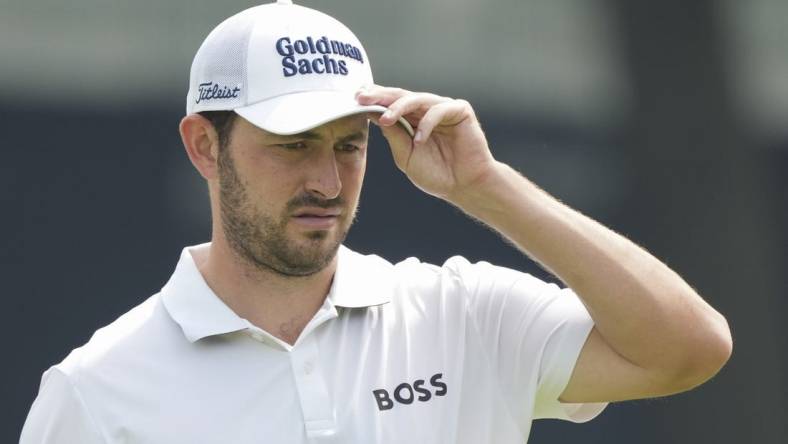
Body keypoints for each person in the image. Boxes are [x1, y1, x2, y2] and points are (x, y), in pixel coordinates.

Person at [20, 1, 732, 443]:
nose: (326, 181)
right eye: (293, 145)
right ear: (205, 146)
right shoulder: (96, 391)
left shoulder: (462, 315)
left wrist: (488, 189)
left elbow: (688, 347)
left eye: (349, 145)